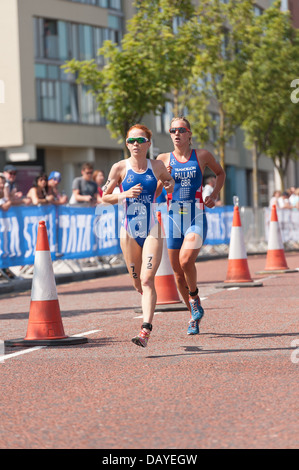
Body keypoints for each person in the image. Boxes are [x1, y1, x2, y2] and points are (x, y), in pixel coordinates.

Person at [102, 124, 174, 348]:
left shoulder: (157, 165)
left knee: (147, 279)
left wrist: (169, 184)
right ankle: (145, 300)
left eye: (140, 140)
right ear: (127, 144)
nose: (136, 144)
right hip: (129, 231)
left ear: (148, 144)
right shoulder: (119, 168)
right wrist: (123, 194)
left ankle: (145, 330)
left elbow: (168, 181)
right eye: (131, 141)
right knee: (137, 282)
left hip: (152, 228)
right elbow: (104, 197)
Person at [157, 116, 225, 336]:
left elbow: (220, 173)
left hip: (196, 216)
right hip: (174, 217)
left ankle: (194, 296)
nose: (176, 133)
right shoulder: (163, 159)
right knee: (177, 273)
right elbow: (157, 190)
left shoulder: (202, 155)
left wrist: (214, 195)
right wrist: (161, 177)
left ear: (189, 134)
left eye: (181, 130)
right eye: (172, 130)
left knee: (186, 261)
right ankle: (193, 316)